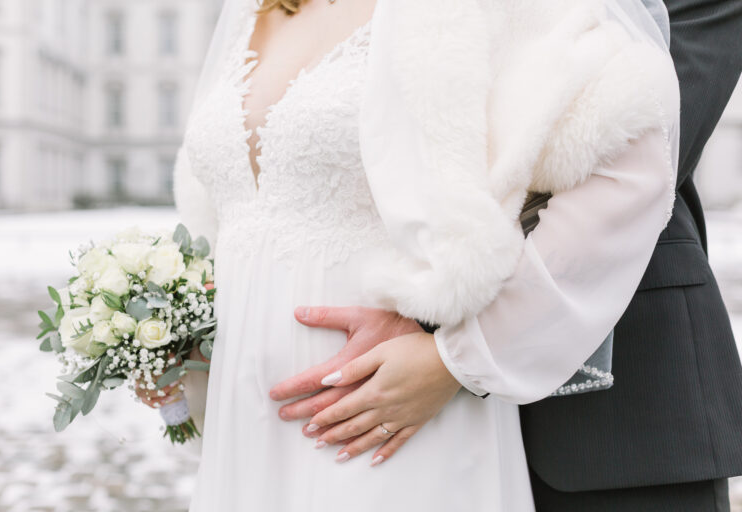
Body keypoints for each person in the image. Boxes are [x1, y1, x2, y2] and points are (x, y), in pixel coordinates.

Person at [172, 0, 682, 510]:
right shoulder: (250, 10)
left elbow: (629, 147)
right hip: (244, 416)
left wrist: (458, 357)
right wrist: (177, 339)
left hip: (389, 412)